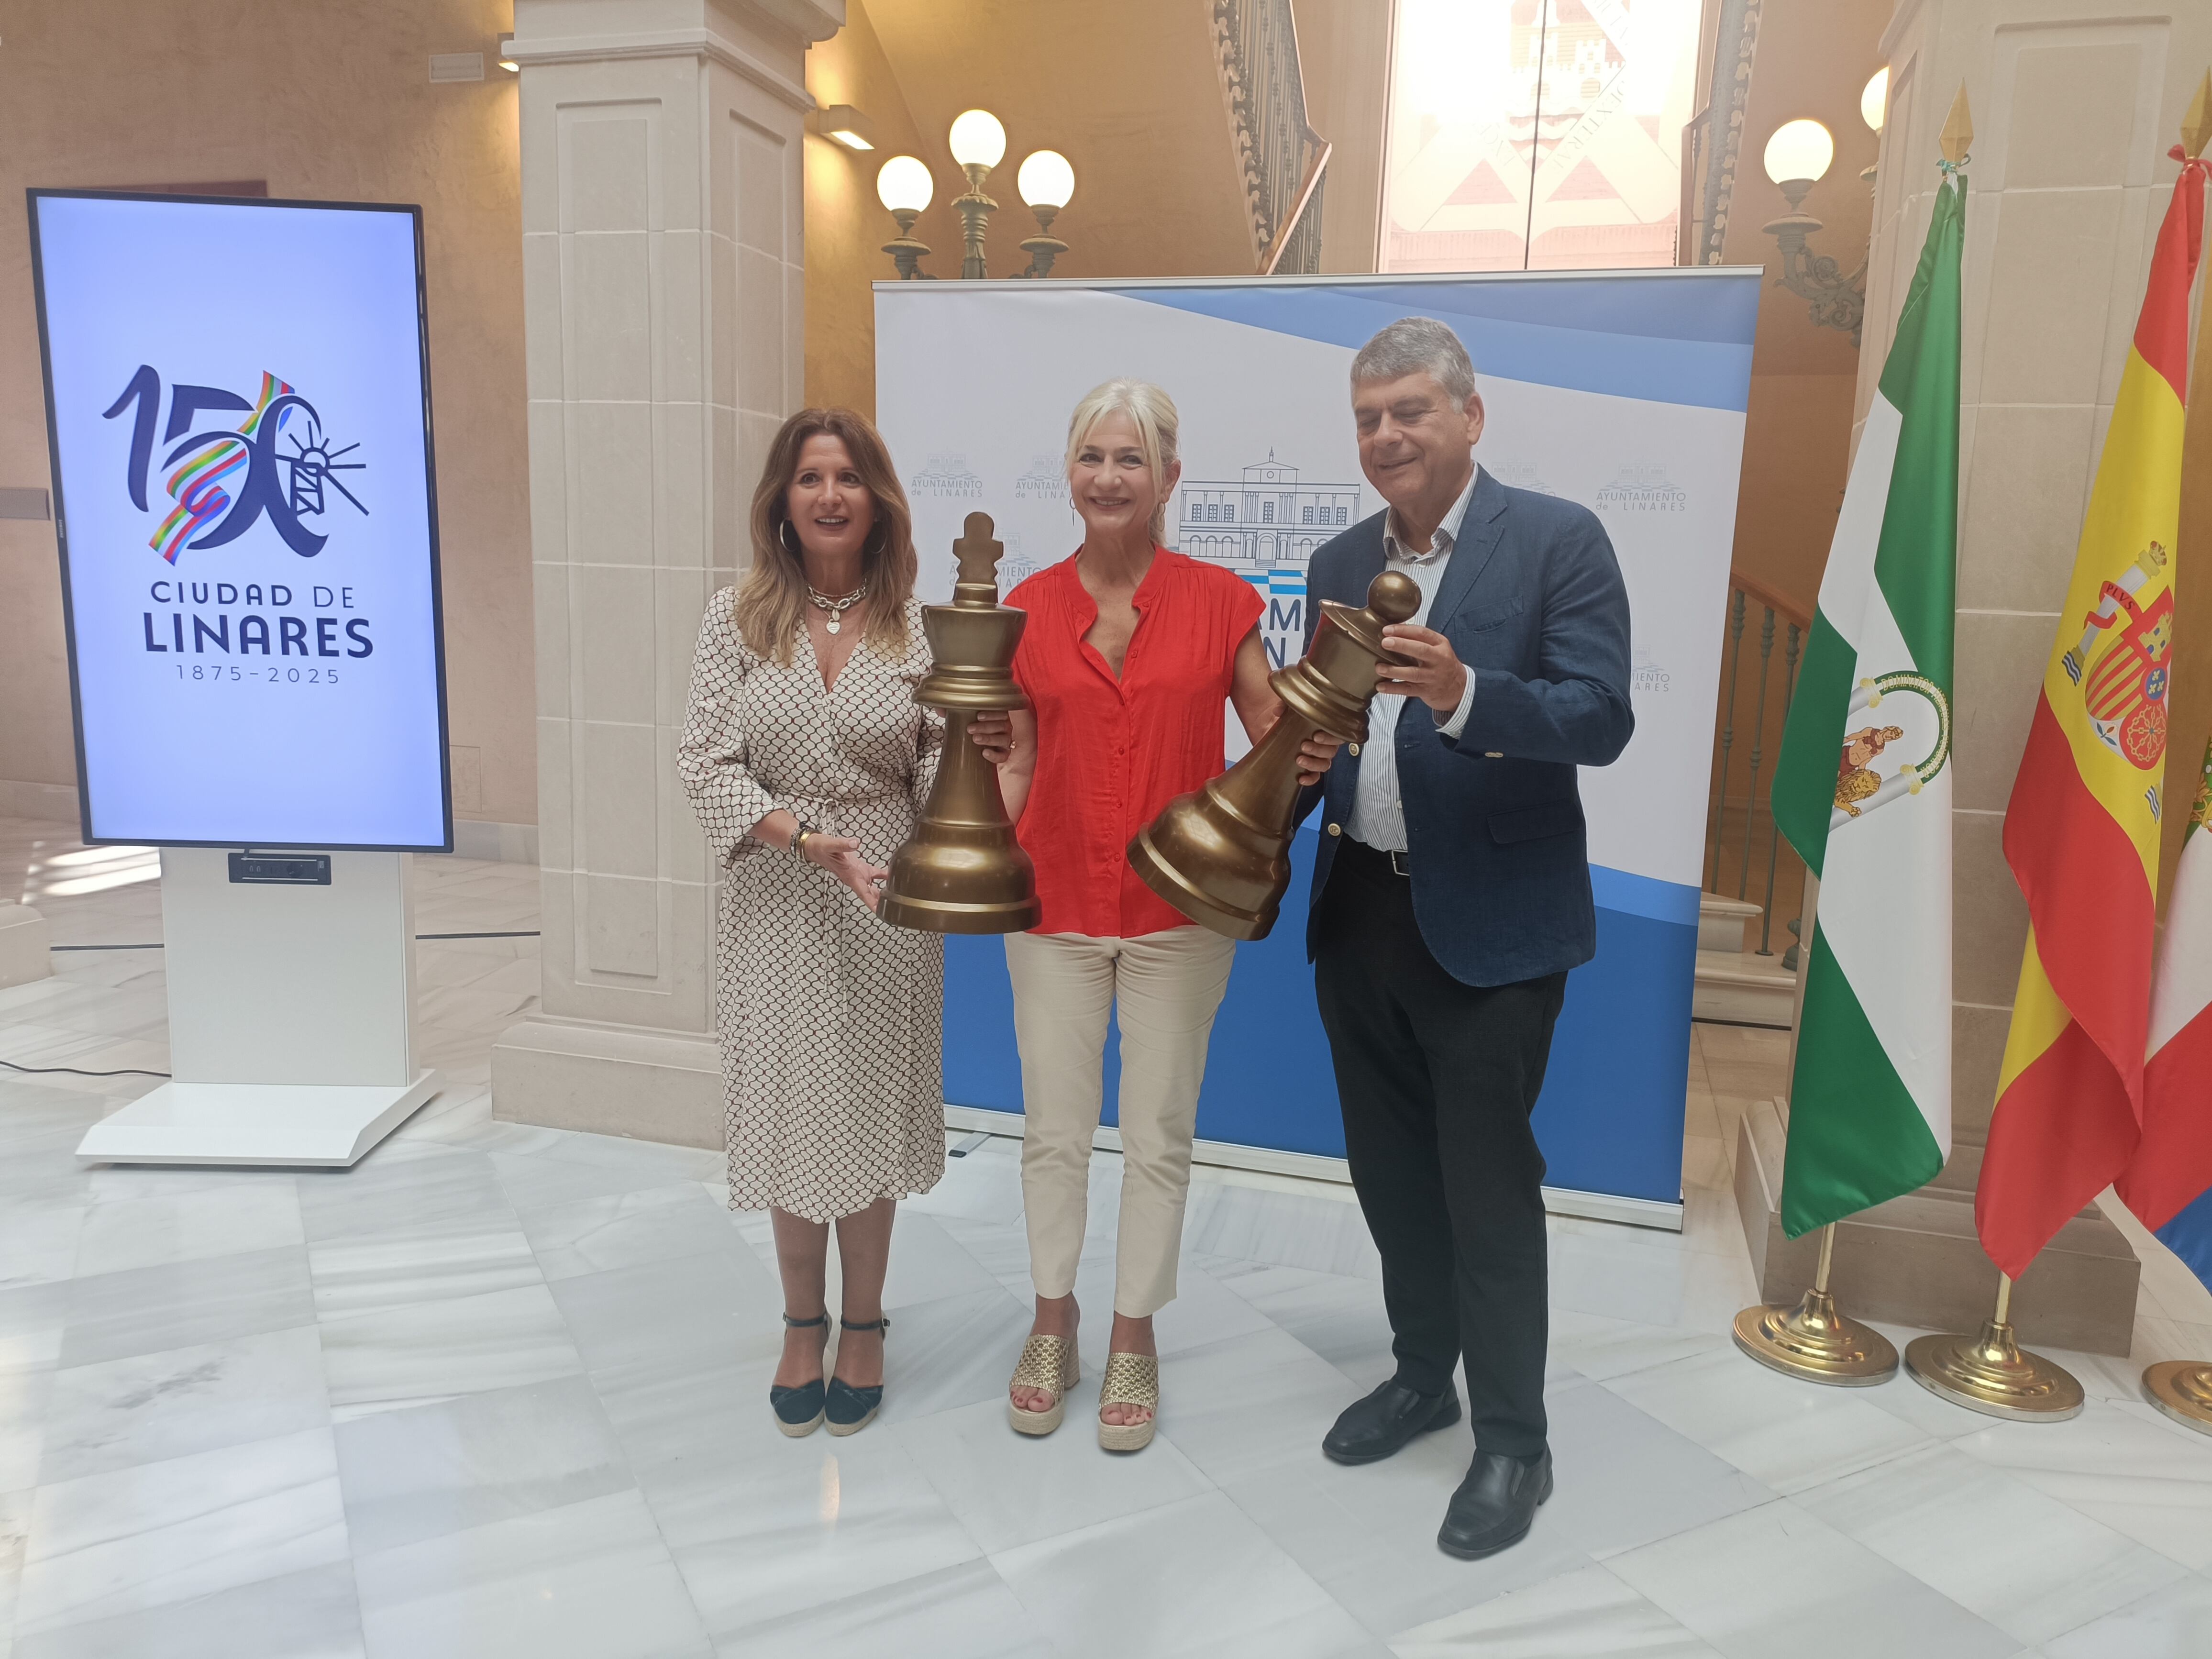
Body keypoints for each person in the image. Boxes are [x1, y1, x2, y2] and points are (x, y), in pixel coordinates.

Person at [1298, 318, 1633, 1557]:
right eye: (1369, 418)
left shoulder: (1557, 540)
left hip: (1495, 935)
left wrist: (1464, 693)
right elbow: (1317, 724)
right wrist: (1300, 760)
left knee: (1488, 1189)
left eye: (1410, 412)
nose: (1387, 436)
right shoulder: (1338, 553)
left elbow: (1602, 719)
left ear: (1470, 416)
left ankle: (1513, 1442)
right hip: (1361, 914)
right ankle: (1419, 1375)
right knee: (1392, 1181)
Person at [969, 379, 1333, 1452]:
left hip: (1182, 913)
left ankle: (1133, 1331)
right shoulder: (1023, 609)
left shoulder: (1224, 603)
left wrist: (1306, 747)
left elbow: (1272, 737)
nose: (1109, 477)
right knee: (1051, 1132)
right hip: (1053, 903)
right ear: (1069, 475)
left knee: (1159, 1129)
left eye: (1131, 459)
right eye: (1091, 457)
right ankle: (1052, 1320)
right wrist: (965, 837)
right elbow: (1014, 759)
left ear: (1170, 478)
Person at [677, 407, 944, 1440]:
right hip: (777, 889)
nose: (828, 495)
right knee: (791, 1107)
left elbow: (934, 759)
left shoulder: (919, 628)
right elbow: (703, 761)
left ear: (876, 500)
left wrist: (938, 817)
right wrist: (799, 840)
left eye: (846, 477)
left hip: (885, 890)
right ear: (780, 504)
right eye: (808, 479)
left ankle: (866, 1322)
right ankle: (801, 1321)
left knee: (868, 1109)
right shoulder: (733, 619)